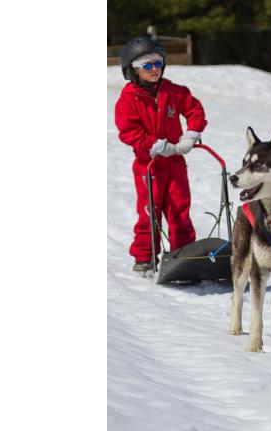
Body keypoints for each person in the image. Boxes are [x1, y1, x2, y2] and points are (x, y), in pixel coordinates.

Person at [114, 36, 207, 272]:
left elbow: (194, 109)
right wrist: (154, 145)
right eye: (147, 65)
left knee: (180, 210)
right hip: (148, 165)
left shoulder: (174, 92)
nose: (154, 69)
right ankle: (145, 257)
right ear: (133, 70)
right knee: (149, 211)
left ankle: (183, 255)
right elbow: (128, 132)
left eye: (157, 63)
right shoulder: (128, 99)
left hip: (175, 162)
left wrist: (191, 134)